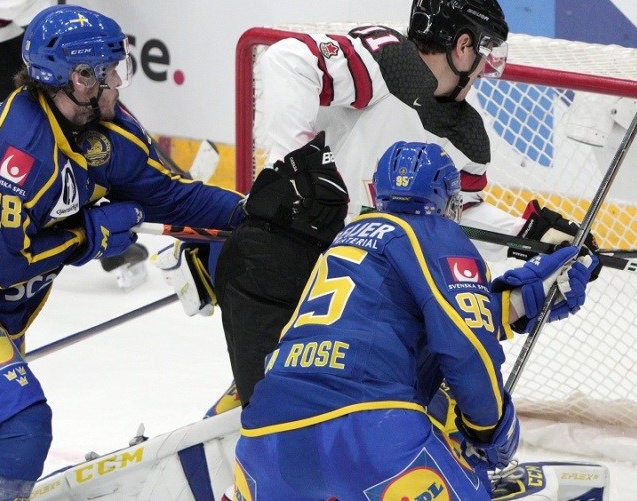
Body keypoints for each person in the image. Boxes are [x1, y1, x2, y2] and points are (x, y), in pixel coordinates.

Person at [213, 0, 596, 409]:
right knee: (281, 419)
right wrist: (293, 168)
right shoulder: (388, 63)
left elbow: (452, 221)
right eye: (485, 53)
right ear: (463, 46)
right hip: (287, 264)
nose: (487, 71)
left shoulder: (467, 137)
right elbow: (288, 59)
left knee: (361, 414)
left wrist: (525, 235)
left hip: (355, 289)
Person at [0, 4, 244, 500]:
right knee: (14, 432)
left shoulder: (101, 128)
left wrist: (257, 212)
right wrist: (88, 235)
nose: (115, 85)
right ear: (70, 79)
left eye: (115, 70)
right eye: (102, 74)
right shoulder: (14, 152)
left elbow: (172, 194)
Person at [233, 141, 598, 499]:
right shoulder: (435, 233)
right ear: (449, 201)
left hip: (264, 442)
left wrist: (524, 297)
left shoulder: (345, 241)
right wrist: (489, 428)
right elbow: (465, 345)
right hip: (369, 434)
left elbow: (417, 327)